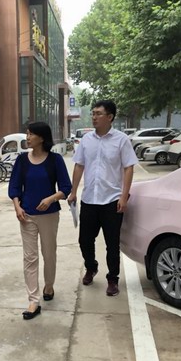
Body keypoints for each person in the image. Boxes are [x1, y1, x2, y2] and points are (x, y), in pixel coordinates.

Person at [67, 100, 137, 297]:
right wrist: (73, 191)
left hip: (112, 200)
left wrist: (124, 196)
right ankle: (91, 267)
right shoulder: (86, 140)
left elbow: (128, 167)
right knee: (84, 240)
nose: (94, 117)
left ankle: (113, 279)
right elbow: (79, 165)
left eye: (98, 113)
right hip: (89, 199)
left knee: (112, 244)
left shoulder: (121, 140)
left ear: (110, 117)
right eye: (93, 113)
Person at [8, 122, 72, 320]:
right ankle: (33, 300)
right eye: (27, 134)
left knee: (49, 253)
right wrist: (17, 207)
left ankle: (49, 286)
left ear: (42, 138)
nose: (27, 138)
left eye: (31, 134)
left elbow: (66, 187)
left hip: (49, 215)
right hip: (26, 215)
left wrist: (51, 198)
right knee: (30, 257)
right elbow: (14, 187)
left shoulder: (55, 160)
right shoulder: (22, 160)